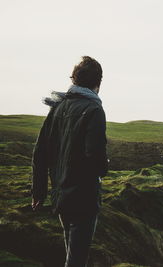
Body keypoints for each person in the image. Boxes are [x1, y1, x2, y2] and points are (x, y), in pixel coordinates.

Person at [31, 56, 108, 267]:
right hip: (84, 197)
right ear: (98, 83)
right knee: (76, 260)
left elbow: (40, 152)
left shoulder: (57, 107)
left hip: (61, 194)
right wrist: (104, 169)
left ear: (74, 79)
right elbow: (96, 157)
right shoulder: (94, 110)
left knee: (71, 255)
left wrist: (39, 192)